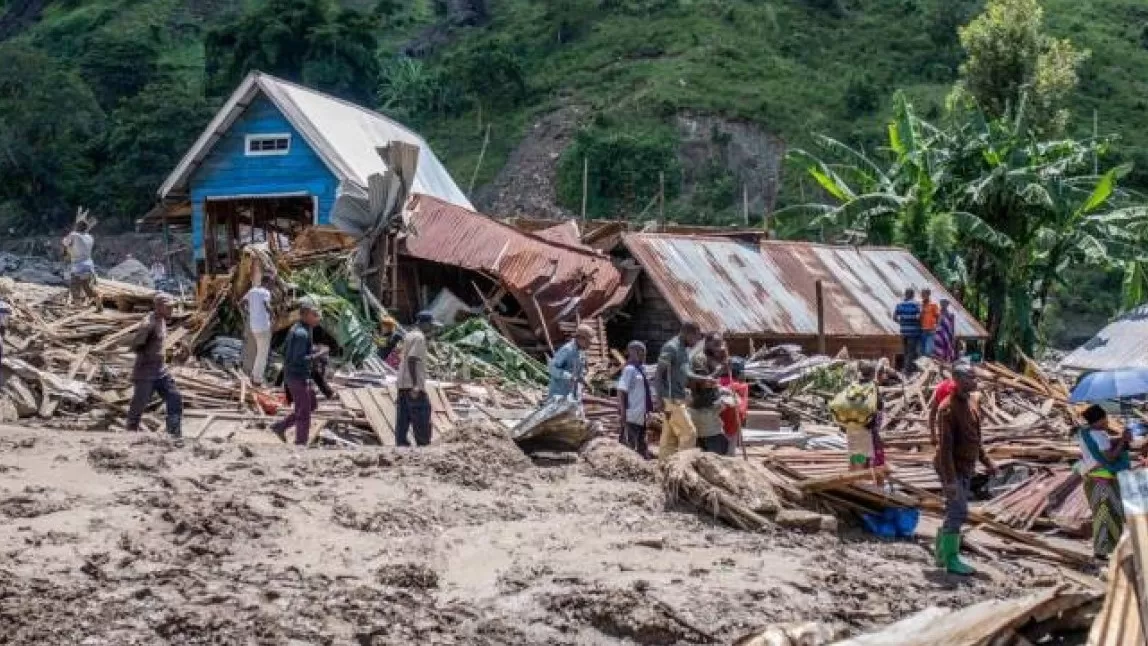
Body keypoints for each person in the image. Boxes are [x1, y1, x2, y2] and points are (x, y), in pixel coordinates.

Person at [933, 364, 997, 575]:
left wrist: (987, 462)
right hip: (951, 467)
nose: (975, 381)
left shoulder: (971, 403)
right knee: (958, 511)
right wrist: (950, 481)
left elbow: (975, 439)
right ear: (958, 379)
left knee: (954, 510)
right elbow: (945, 449)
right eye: (971, 377)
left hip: (966, 466)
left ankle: (941, 554)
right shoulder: (948, 408)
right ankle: (951, 559)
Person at [1077, 404, 1133, 559]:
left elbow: (1103, 443)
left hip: (1090, 476)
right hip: (1103, 477)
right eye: (1105, 418)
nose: (1107, 421)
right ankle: (1106, 550)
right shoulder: (1100, 435)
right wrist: (1122, 442)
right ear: (1099, 419)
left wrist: (1120, 438)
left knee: (1101, 512)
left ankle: (1103, 550)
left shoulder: (1084, 432)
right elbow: (1110, 457)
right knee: (1111, 511)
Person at [125, 293, 182, 439]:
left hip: (160, 371)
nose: (171, 310)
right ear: (158, 307)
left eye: (172, 307)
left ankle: (174, 434)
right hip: (145, 372)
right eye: (168, 307)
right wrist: (149, 355)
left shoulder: (162, 320)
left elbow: (161, 344)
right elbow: (136, 345)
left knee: (174, 396)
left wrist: (170, 355)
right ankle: (130, 436)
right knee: (139, 404)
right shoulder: (148, 324)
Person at [272, 300, 327, 446]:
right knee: (304, 412)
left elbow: (287, 351)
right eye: (314, 315)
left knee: (311, 404)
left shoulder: (300, 328)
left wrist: (313, 351)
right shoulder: (301, 333)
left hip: (298, 375)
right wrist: (318, 354)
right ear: (305, 315)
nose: (318, 317)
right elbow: (299, 359)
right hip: (297, 376)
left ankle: (280, 426)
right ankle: (300, 443)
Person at [656, 321, 703, 460]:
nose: (697, 342)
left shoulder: (683, 349)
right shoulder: (671, 347)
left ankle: (663, 468)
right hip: (671, 399)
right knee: (689, 433)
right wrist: (659, 398)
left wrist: (705, 378)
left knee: (669, 437)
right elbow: (658, 374)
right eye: (696, 337)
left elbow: (686, 373)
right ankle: (683, 467)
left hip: (678, 398)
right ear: (688, 333)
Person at [830, 360, 885, 473]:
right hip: (866, 427)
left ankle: (854, 479)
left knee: (856, 456)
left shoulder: (853, 386)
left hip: (851, 426)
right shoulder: (872, 387)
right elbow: (878, 407)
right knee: (867, 458)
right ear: (872, 373)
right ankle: (863, 483)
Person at [395, 311, 438, 447]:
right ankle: (423, 449)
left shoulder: (408, 335)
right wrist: (415, 385)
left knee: (402, 422)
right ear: (424, 324)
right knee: (422, 419)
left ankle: (402, 447)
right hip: (412, 386)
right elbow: (412, 359)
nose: (431, 328)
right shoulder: (419, 338)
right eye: (430, 325)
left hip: (402, 385)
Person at [690, 332, 729, 455]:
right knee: (717, 447)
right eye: (716, 344)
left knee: (718, 445)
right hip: (702, 409)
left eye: (720, 344)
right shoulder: (699, 359)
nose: (719, 347)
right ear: (707, 343)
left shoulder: (711, 358)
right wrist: (720, 370)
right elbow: (703, 383)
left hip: (709, 409)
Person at [616, 341, 653, 459]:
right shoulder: (629, 370)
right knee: (629, 446)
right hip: (631, 414)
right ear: (634, 352)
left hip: (641, 415)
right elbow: (621, 391)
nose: (644, 355)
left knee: (642, 443)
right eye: (642, 352)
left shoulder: (641, 370)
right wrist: (623, 413)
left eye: (644, 352)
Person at [240, 275, 274, 386]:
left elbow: (242, 302)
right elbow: (266, 304)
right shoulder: (265, 292)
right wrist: (273, 314)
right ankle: (257, 379)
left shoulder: (252, 291)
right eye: (272, 283)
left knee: (259, 352)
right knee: (262, 354)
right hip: (263, 327)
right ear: (267, 282)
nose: (272, 285)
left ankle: (254, 375)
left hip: (254, 326)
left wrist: (249, 312)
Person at [62, 220, 101, 311]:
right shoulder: (90, 237)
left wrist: (67, 250)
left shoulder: (74, 235)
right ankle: (97, 298)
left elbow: (65, 242)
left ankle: (78, 306)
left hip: (77, 267)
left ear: (77, 227)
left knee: (74, 287)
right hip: (89, 266)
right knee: (87, 287)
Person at [548, 324, 593, 401]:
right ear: (580, 338)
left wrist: (584, 381)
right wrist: (569, 376)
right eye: (589, 341)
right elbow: (552, 368)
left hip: (573, 396)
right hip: (559, 396)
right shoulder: (567, 350)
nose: (590, 344)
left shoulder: (582, 352)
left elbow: (578, 373)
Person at [719, 357, 750, 457]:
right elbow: (742, 408)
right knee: (729, 455)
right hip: (733, 423)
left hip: (717, 425)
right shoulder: (741, 386)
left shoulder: (717, 383)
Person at [927, 368, 960, 446]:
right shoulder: (943, 389)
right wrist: (933, 435)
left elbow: (932, 413)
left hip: (947, 416)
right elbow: (933, 414)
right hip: (946, 416)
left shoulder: (946, 387)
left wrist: (933, 435)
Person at [892, 288, 921, 373]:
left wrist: (901, 323)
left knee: (905, 351)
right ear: (913, 295)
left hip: (904, 331)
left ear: (905, 294)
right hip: (914, 331)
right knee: (912, 351)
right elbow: (919, 317)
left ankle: (908, 368)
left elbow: (894, 317)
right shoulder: (916, 304)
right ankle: (908, 369)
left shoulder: (900, 304)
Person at [918, 288, 940, 358]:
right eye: (922, 294)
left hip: (931, 330)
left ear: (928, 294)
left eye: (923, 294)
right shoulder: (920, 305)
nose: (922, 296)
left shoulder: (933, 305)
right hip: (922, 330)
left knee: (928, 351)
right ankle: (922, 368)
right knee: (921, 351)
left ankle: (929, 367)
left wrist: (937, 327)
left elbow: (938, 316)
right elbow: (918, 317)